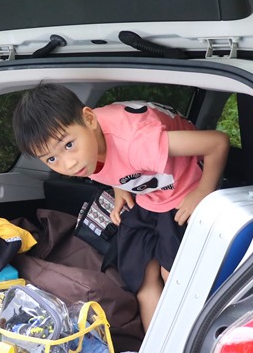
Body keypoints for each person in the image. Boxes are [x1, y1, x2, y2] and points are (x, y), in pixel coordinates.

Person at [13, 84, 229, 331]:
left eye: (68, 145)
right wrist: (120, 187)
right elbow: (112, 161)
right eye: (51, 159)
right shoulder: (85, 145)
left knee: (172, 276)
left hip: (187, 186)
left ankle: (191, 339)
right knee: (142, 280)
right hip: (151, 194)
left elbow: (217, 143)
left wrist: (203, 192)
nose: (68, 164)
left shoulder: (138, 143)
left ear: (89, 119)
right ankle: (154, 348)